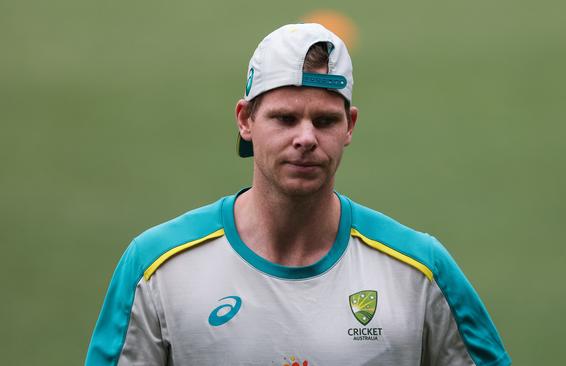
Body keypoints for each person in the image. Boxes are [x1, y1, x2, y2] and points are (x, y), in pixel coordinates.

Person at [85, 23, 511, 366]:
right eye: (285, 118)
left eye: (324, 121)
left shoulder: (418, 271)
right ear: (245, 120)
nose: (305, 138)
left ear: (350, 126)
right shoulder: (158, 269)